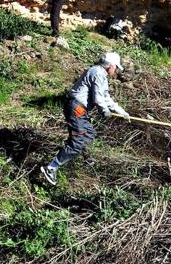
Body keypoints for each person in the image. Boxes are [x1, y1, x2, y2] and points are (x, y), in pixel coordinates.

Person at [40, 52, 130, 185]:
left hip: (79, 109)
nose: (116, 70)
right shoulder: (97, 72)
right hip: (77, 108)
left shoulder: (101, 75)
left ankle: (82, 158)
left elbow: (106, 98)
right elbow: (98, 97)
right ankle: (51, 167)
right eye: (116, 67)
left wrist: (122, 112)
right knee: (80, 138)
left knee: (89, 134)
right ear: (110, 66)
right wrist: (104, 110)